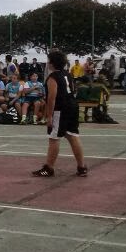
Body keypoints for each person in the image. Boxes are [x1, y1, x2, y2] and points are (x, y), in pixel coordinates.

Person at [33, 49, 87, 177]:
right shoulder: (67, 74)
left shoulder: (53, 78)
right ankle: (82, 167)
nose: (47, 63)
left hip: (60, 109)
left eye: (48, 61)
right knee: (72, 136)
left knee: (54, 137)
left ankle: (49, 168)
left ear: (52, 63)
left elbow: (52, 98)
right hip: (72, 106)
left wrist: (49, 116)